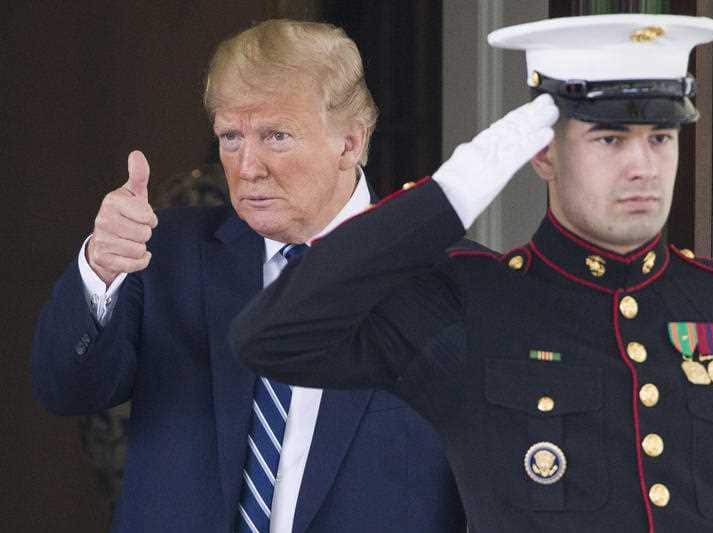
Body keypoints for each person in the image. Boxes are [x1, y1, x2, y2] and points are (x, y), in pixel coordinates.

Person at [231, 14, 713, 533]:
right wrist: (449, 195)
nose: (641, 167)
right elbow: (272, 337)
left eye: (661, 139)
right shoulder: (470, 304)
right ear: (543, 154)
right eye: (608, 139)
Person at [30, 19, 465, 533]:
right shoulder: (164, 253)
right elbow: (66, 390)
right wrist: (99, 267)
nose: (247, 166)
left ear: (349, 142)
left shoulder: (454, 284)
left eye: (275, 136)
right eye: (230, 136)